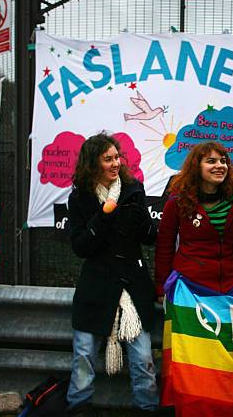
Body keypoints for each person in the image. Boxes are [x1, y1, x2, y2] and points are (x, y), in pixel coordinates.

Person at [154, 141, 233, 416]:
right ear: (196, 167)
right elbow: (164, 245)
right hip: (187, 291)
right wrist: (161, 286)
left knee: (228, 359)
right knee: (190, 362)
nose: (219, 166)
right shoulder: (177, 201)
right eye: (211, 161)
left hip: (228, 292)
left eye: (223, 160)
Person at [66, 133, 159, 416]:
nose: (115, 163)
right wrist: (104, 215)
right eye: (108, 159)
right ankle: (78, 408)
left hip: (133, 285)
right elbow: (81, 247)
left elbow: (150, 238)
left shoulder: (133, 189)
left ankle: (147, 408)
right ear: (93, 164)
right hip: (96, 286)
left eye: (117, 157)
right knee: (84, 355)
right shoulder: (79, 197)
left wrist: (143, 218)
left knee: (143, 357)